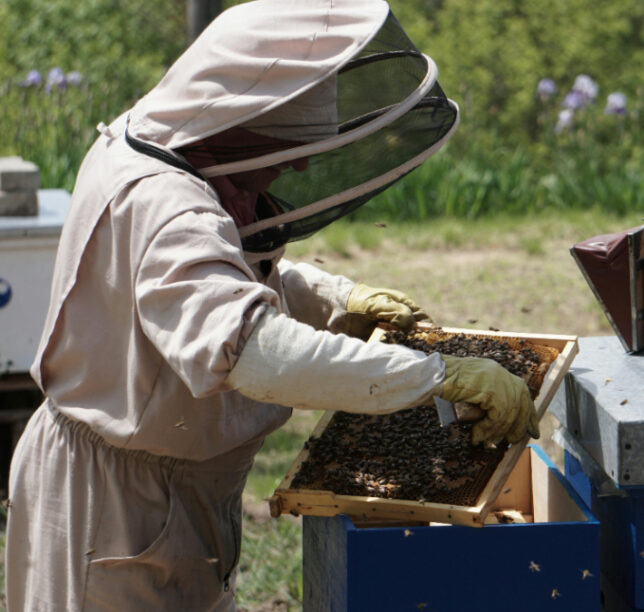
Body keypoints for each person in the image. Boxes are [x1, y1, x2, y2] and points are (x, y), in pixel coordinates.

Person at [3, 1, 539, 609]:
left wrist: (335, 298)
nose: (304, 161)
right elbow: (252, 351)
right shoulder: (163, 205)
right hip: (115, 506)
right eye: (289, 140)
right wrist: (438, 376)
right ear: (239, 118)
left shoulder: (167, 152)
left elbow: (208, 279)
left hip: (163, 484)